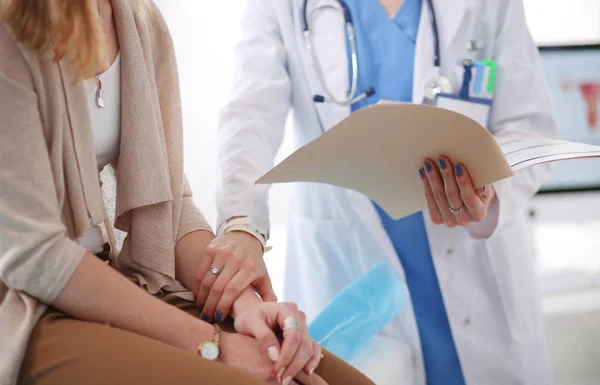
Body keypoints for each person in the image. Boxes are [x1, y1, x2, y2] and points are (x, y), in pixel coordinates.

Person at [0, 1, 375, 385]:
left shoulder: (136, 18)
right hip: (26, 304)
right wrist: (216, 346)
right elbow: (34, 254)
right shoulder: (10, 27)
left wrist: (242, 303)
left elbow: (170, 203)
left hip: (108, 276)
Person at [213, 0, 558, 384]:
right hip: (348, 270)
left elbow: (529, 126)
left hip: (476, 274)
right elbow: (249, 116)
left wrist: (492, 192)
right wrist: (242, 225)